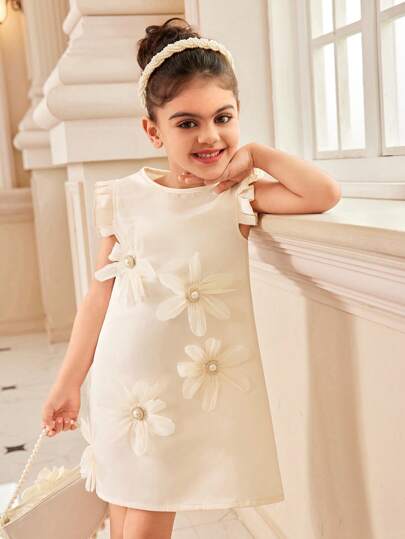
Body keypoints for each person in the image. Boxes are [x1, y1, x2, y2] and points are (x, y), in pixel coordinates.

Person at [41, 17, 341, 539]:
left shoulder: (236, 197)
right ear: (152, 130)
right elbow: (98, 297)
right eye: (186, 123)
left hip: (180, 397)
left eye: (223, 117)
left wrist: (258, 156)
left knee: (146, 521)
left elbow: (323, 194)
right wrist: (69, 382)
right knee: (123, 512)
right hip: (124, 385)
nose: (209, 136)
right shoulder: (124, 198)